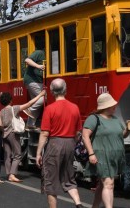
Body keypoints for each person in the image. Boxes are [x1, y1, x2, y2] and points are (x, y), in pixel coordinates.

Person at [36, 78, 83, 208]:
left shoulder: (50, 109)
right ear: (65, 89)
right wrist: (72, 143)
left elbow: (45, 133)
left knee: (50, 179)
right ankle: (78, 203)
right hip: (70, 144)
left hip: (54, 144)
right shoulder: (75, 108)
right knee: (69, 176)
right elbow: (78, 132)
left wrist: (39, 153)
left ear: (51, 91)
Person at [82, 93, 130, 208]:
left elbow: (122, 135)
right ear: (105, 106)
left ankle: (95, 206)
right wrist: (91, 154)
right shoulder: (94, 118)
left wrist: (129, 129)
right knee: (109, 184)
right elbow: (85, 136)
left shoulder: (115, 119)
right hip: (101, 155)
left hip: (114, 156)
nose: (115, 107)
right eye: (112, 105)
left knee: (103, 184)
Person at [0, 89, 46, 182]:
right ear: (10, 100)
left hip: (4, 135)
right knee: (17, 154)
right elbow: (29, 104)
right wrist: (40, 95)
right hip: (13, 134)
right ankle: (12, 174)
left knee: (7, 155)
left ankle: (9, 174)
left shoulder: (1, 112)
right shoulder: (14, 108)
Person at [23, 49, 46, 131]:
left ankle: (30, 124)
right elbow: (27, 60)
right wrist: (38, 66)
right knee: (45, 97)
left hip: (35, 81)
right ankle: (29, 109)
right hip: (33, 81)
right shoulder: (40, 52)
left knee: (37, 102)